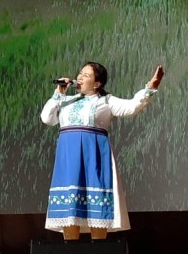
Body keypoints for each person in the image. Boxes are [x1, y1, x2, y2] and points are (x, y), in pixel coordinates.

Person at [40, 62, 164, 240]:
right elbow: (47, 118)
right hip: (69, 158)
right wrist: (59, 92)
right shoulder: (66, 101)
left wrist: (151, 86)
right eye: (80, 73)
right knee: (70, 204)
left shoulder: (106, 101)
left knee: (96, 202)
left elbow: (132, 106)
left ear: (97, 84)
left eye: (86, 75)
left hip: (94, 156)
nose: (80, 77)